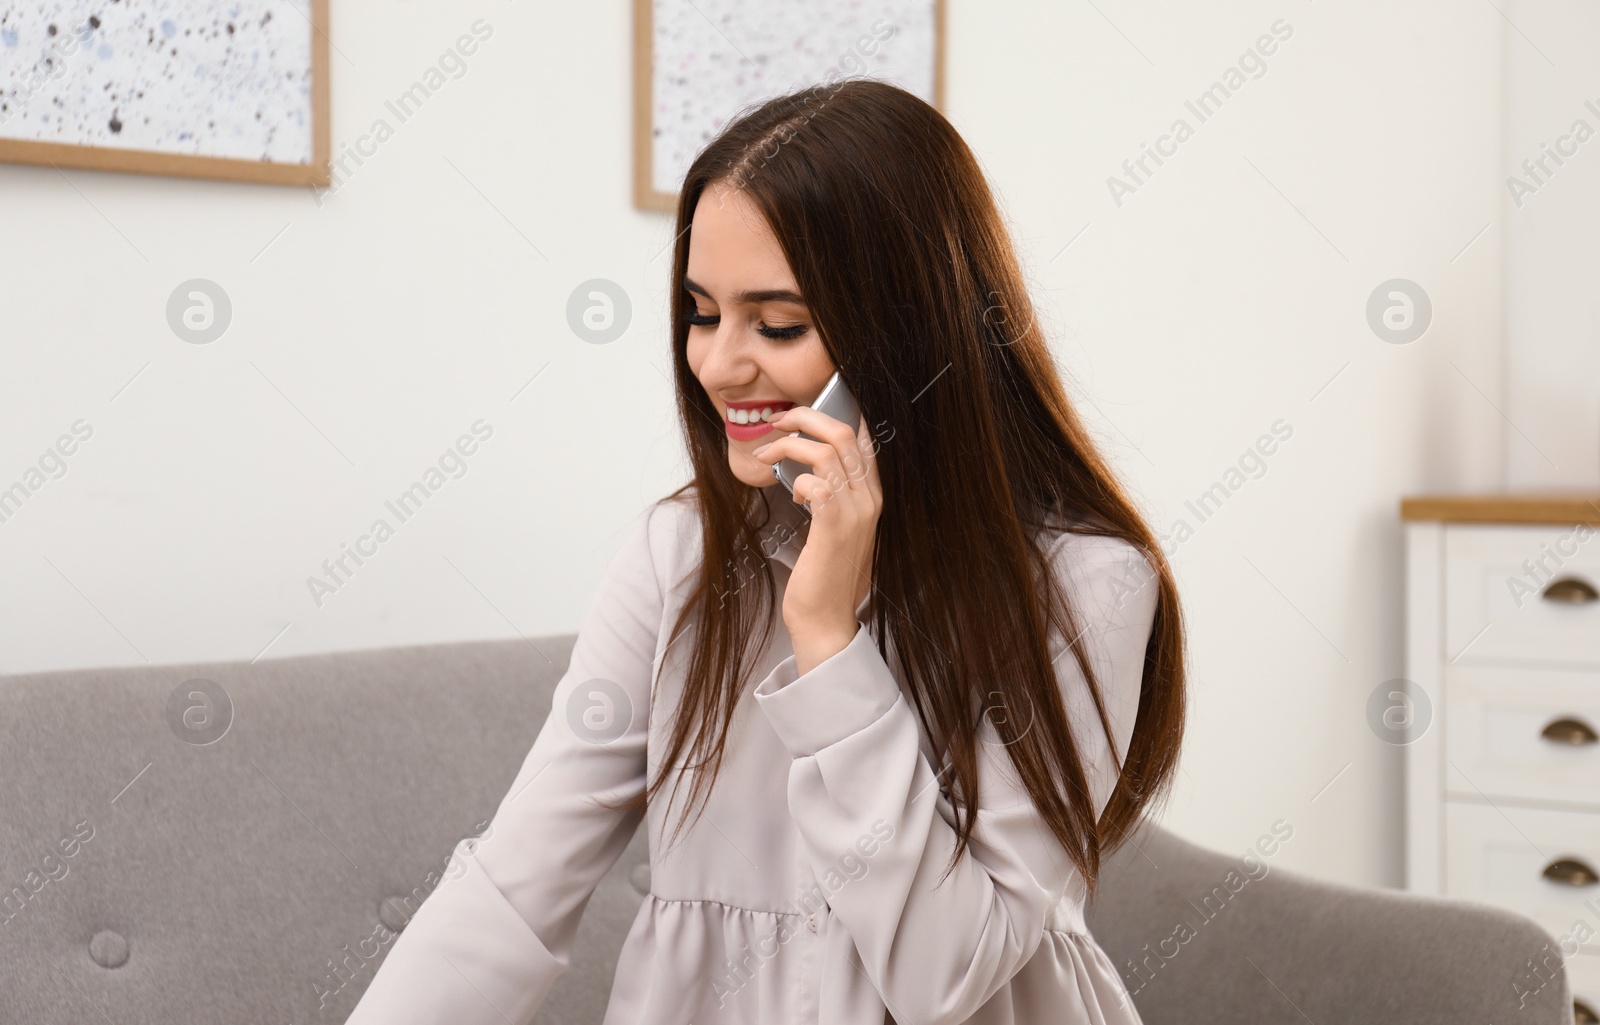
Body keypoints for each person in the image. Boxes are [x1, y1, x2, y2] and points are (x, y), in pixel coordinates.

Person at [345, 78, 1187, 1025]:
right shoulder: (681, 555)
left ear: (910, 335)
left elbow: (941, 973)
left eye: (778, 324)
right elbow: (513, 887)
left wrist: (829, 639)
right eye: (703, 312)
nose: (716, 363)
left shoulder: (1091, 585)